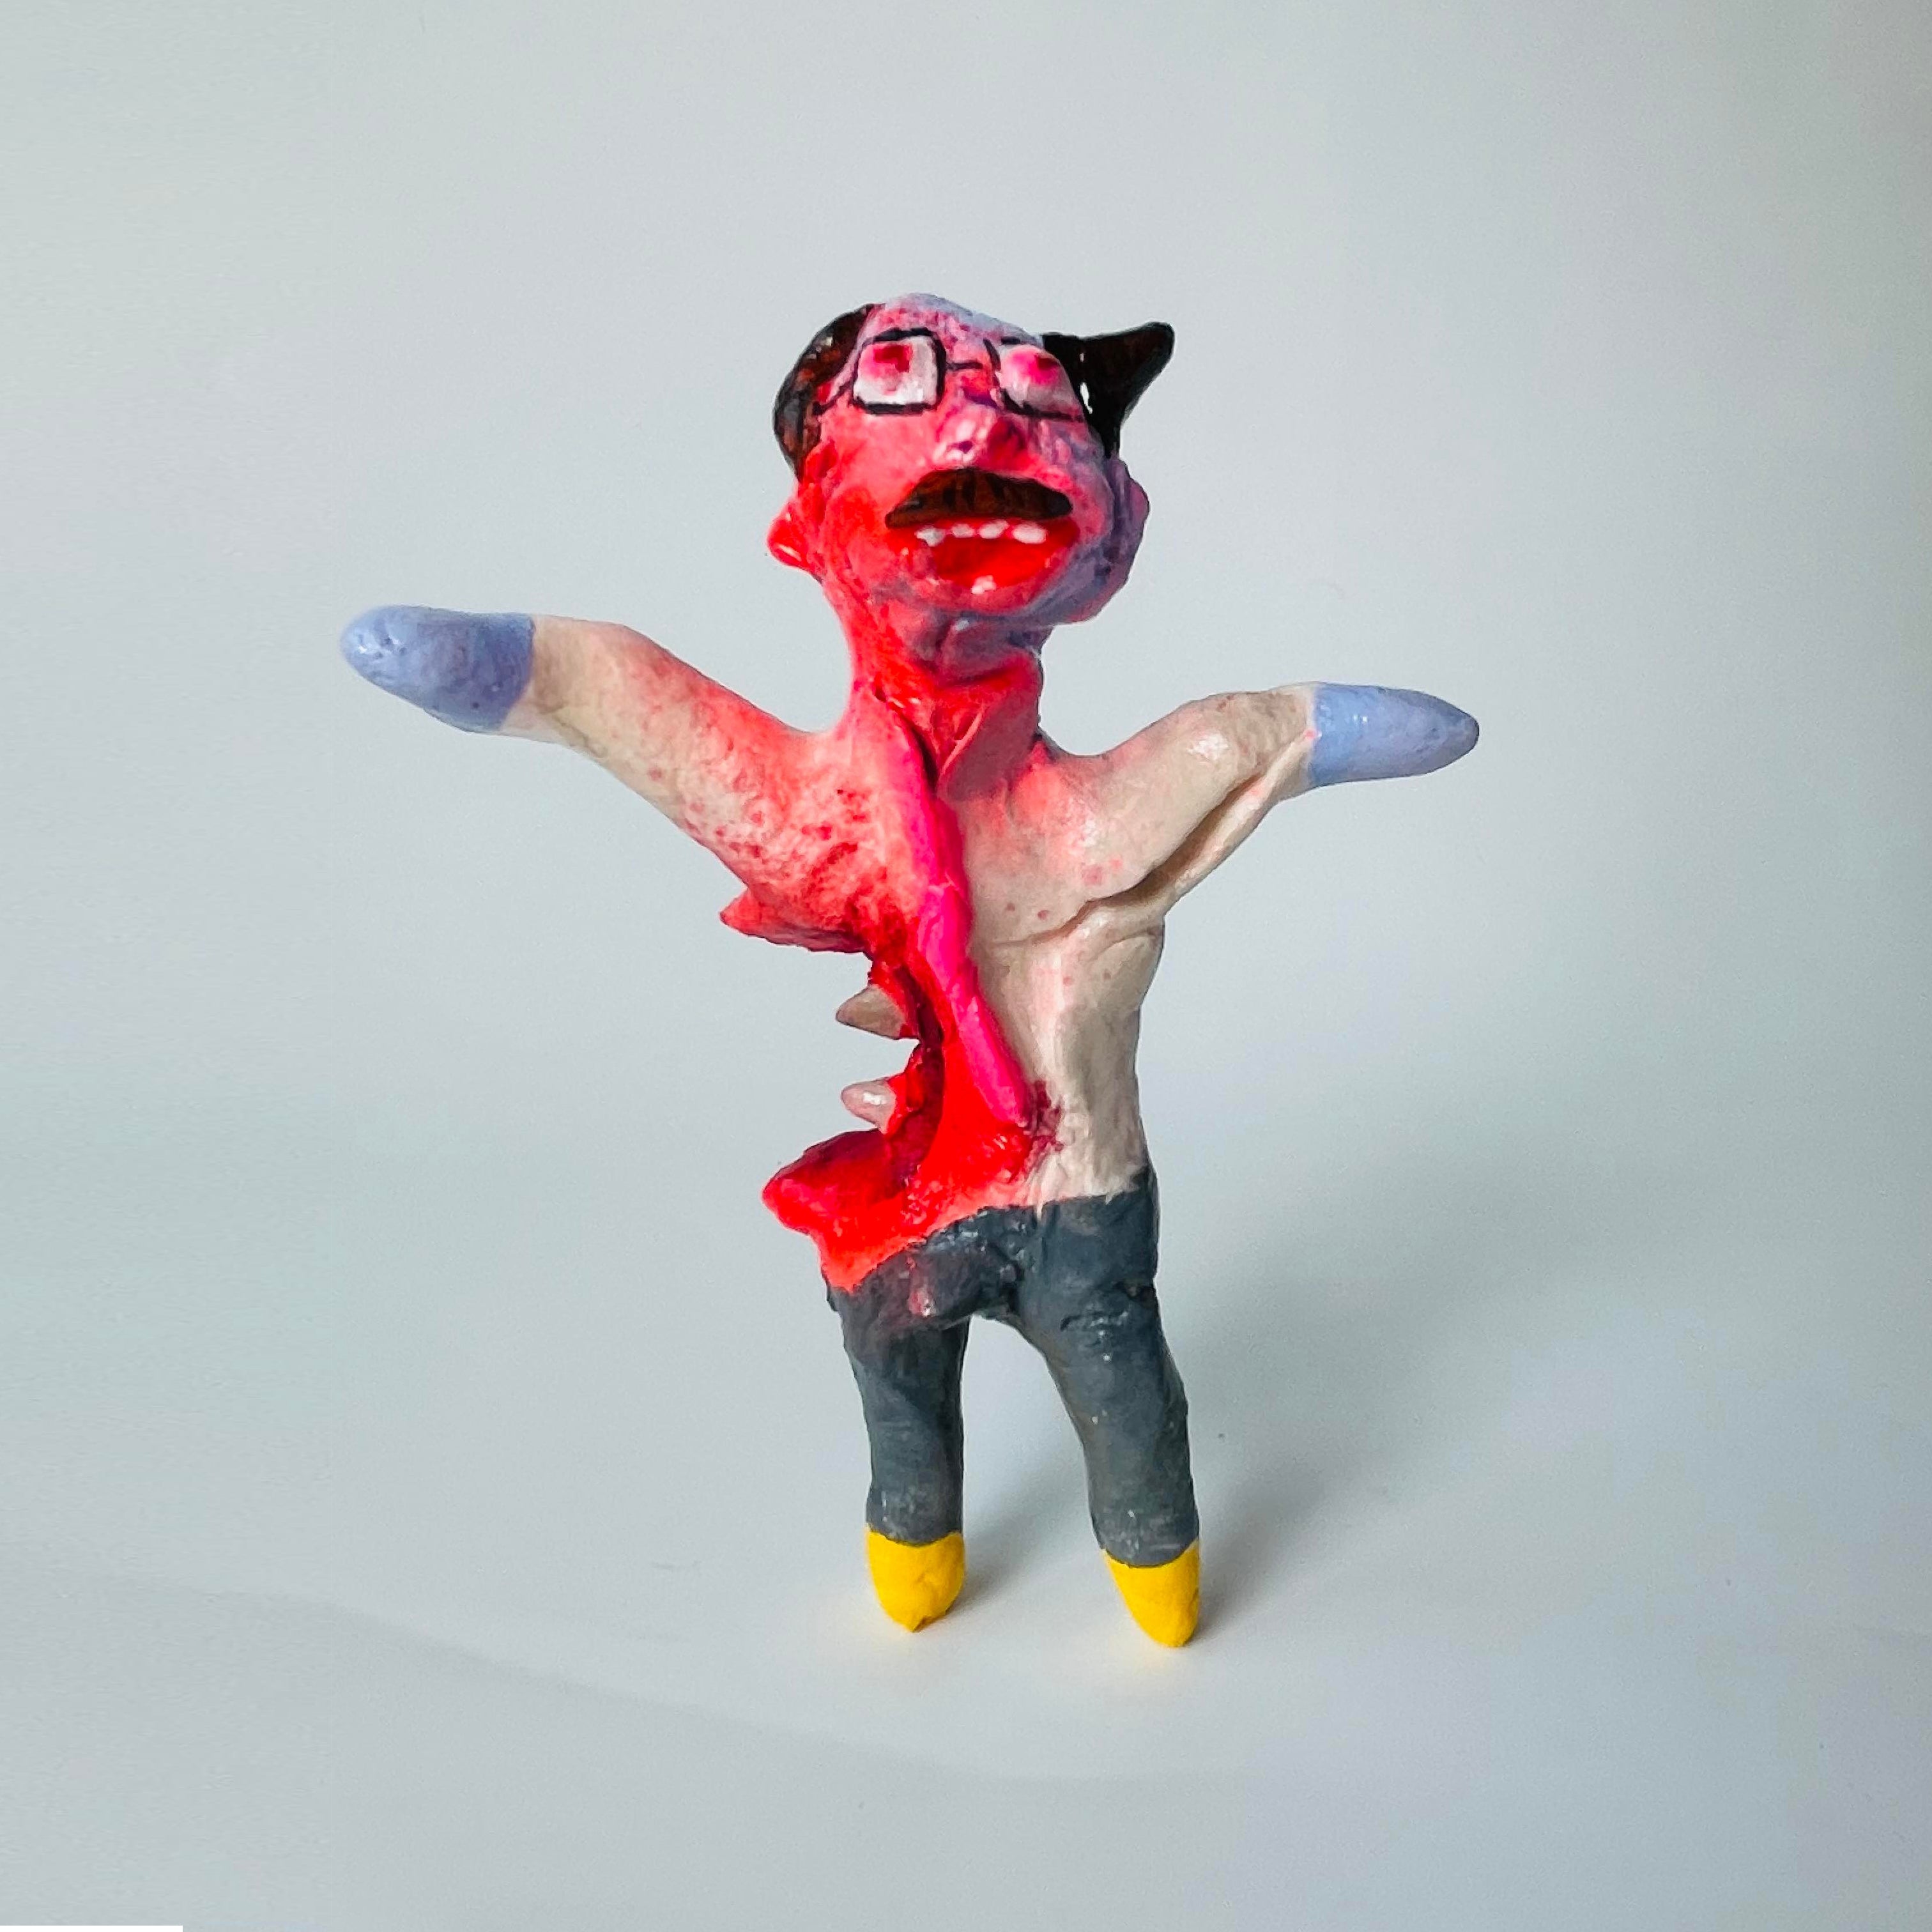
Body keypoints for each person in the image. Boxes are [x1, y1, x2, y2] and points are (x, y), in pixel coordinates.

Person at [341, 294, 1478, 1645]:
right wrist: (510, 670)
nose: (984, 421)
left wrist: (1296, 729)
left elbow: (1238, 745)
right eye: (902, 380)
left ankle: (1152, 1566)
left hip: (1081, 1190)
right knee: (897, 1380)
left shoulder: (1098, 821)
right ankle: (916, 1538)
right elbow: (610, 688)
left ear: (1116, 540)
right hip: (910, 1198)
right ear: (800, 529)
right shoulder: (816, 818)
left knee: (1117, 1375)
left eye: (1039, 400)